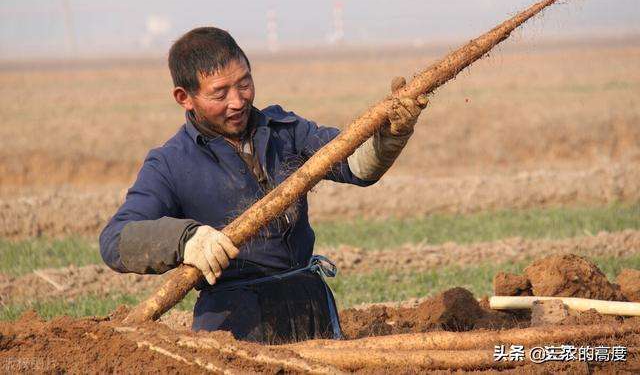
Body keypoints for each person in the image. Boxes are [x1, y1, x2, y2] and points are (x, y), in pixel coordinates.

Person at [99, 26, 428, 344]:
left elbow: (355, 166)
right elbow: (114, 240)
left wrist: (391, 135)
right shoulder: (169, 163)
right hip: (233, 326)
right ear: (184, 98)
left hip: (309, 310)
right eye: (220, 93)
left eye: (244, 84)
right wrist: (186, 239)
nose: (238, 101)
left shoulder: (285, 130)